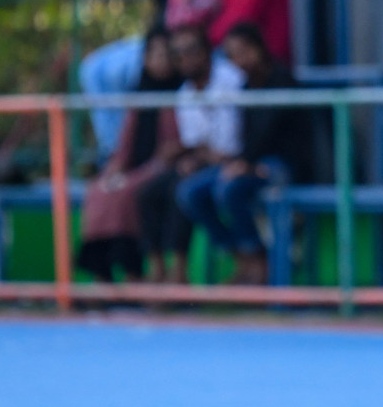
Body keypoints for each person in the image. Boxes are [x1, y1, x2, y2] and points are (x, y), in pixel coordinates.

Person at [79, 0, 220, 160]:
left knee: (139, 72)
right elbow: (166, 13)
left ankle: (124, 155)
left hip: (196, 44)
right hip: (159, 38)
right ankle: (112, 151)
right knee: (92, 69)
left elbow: (191, 19)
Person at [176, 23, 312, 285]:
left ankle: (260, 259)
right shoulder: (245, 86)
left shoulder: (282, 80)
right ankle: (244, 258)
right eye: (232, 54)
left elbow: (273, 133)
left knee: (229, 189)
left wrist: (249, 164)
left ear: (258, 49)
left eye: (242, 51)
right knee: (190, 192)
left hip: (281, 164)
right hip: (248, 163)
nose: (239, 60)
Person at [75, 29, 183, 282]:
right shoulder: (139, 96)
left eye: (167, 54)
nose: (161, 60)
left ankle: (133, 273)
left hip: (161, 168)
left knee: (125, 194)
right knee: (100, 190)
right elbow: (125, 146)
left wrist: (135, 175)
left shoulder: (182, 94)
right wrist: (114, 170)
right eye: (155, 54)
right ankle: (102, 276)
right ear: (145, 59)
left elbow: (172, 150)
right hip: (135, 169)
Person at [144, 24, 244, 284]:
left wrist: (197, 155)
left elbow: (228, 147)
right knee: (147, 192)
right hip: (206, 162)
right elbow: (196, 144)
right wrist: (189, 155)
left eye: (191, 50)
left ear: (207, 51)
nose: (185, 59)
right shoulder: (185, 94)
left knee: (186, 190)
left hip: (238, 162)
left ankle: (181, 270)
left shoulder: (232, 80)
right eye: (178, 53)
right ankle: (158, 270)